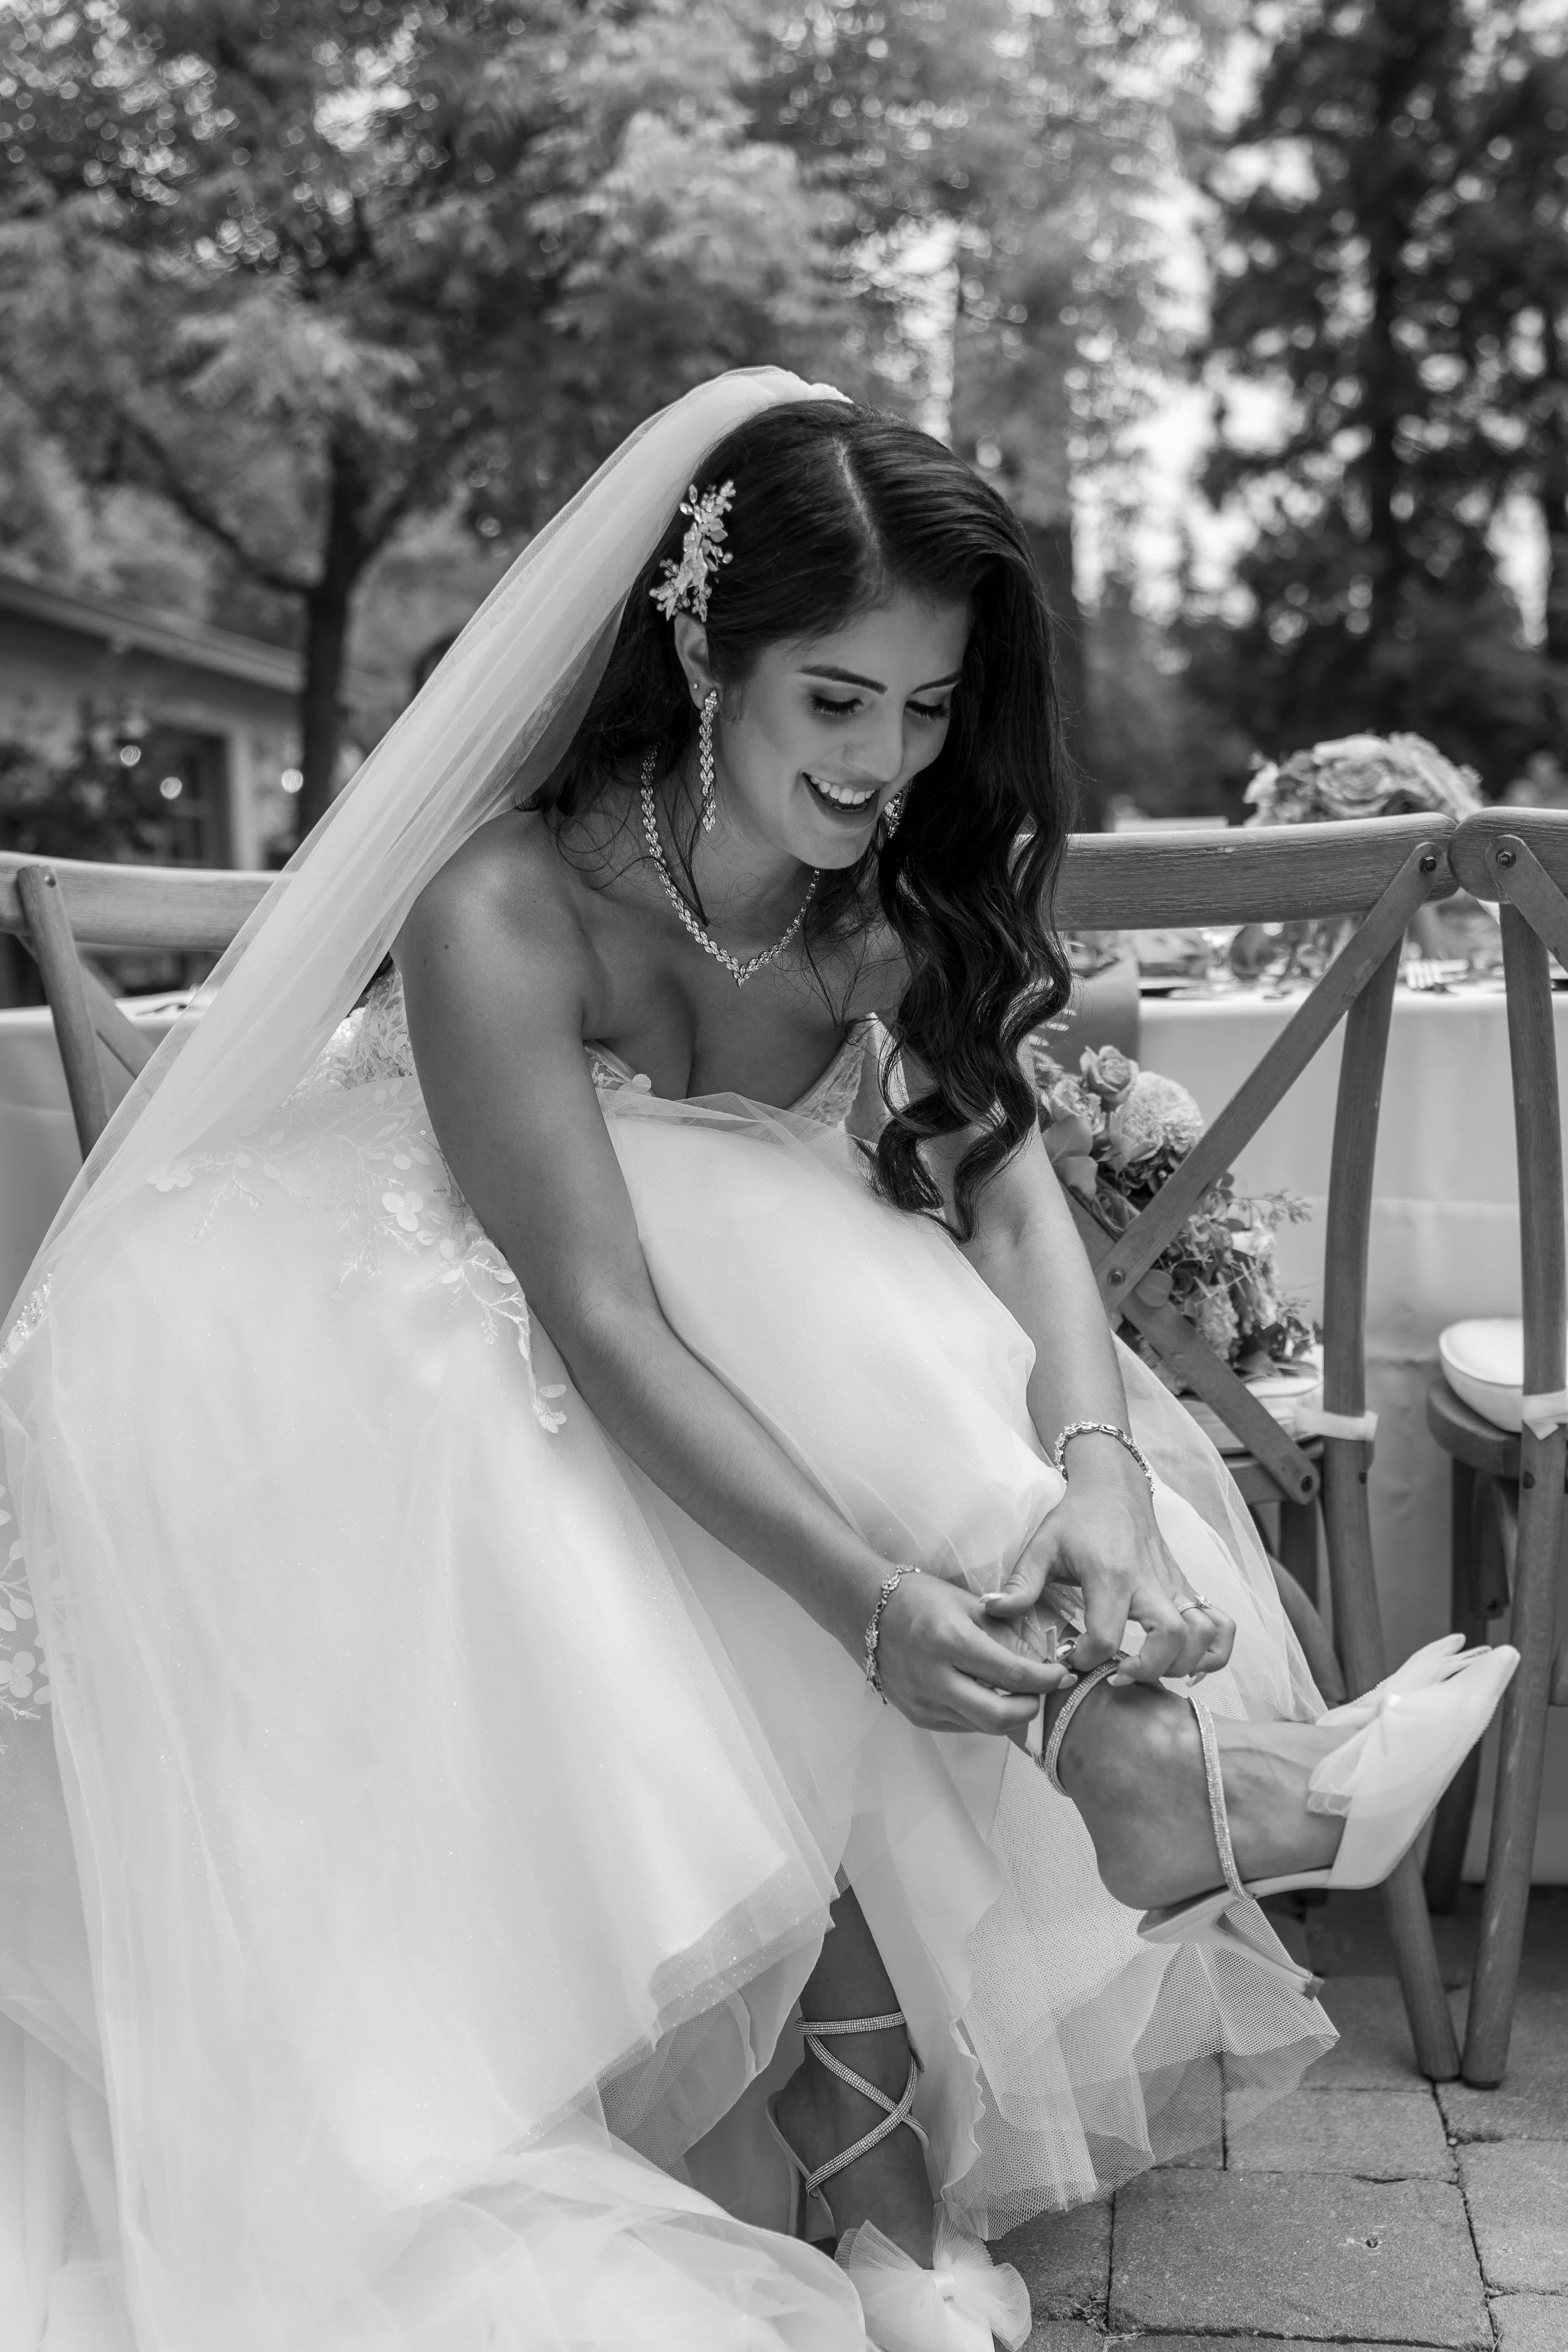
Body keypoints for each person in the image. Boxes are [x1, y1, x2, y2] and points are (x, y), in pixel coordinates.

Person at [0, 371, 1513, 2352]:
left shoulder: (882, 900)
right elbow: (600, 1309)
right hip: (375, 1345)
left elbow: (1012, 1196)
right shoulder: (506, 905)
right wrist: (882, 1606)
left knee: (835, 1277)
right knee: (714, 1304)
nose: (886, 763)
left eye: (926, 708)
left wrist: (1103, 1470)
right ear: (710, 649)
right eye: (835, 701)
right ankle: (1133, 1811)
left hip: (682, 1354)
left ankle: (1084, 1856)